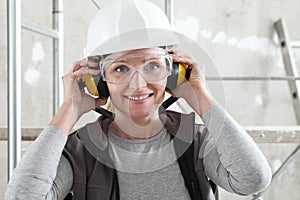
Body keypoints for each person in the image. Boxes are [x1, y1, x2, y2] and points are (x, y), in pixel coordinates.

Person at [5, 0, 272, 199]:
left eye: (152, 66)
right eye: (120, 68)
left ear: (173, 72)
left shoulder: (195, 140)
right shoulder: (81, 150)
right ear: (98, 80)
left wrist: (201, 97)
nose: (138, 84)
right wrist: (70, 109)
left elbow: (253, 179)